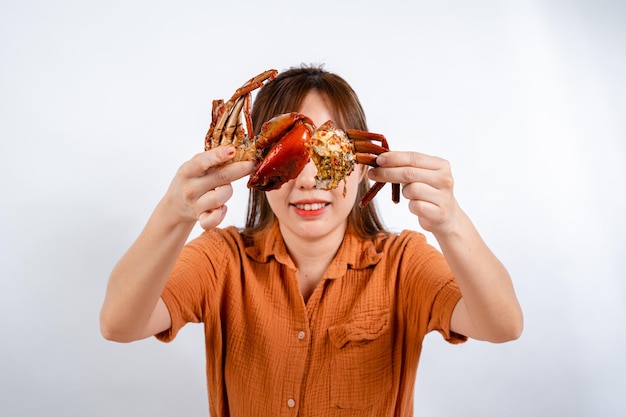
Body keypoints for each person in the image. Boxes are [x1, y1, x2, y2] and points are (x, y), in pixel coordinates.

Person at [100, 65, 523, 416]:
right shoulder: (222, 259)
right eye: (288, 156)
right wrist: (173, 213)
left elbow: (502, 326)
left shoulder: (404, 262)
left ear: (361, 168)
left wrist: (451, 222)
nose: (307, 179)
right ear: (255, 170)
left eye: (328, 155)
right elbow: (120, 324)